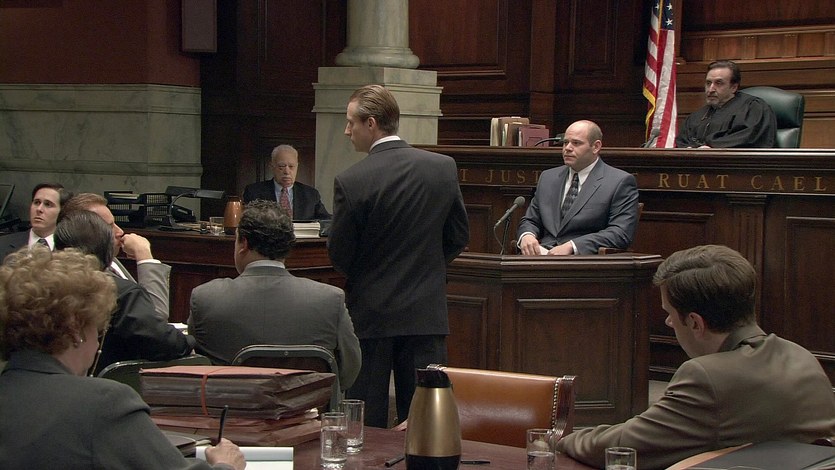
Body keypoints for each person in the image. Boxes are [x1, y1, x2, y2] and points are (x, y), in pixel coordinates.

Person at [556, 244, 835, 469]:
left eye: (669, 313)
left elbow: (623, 446)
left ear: (695, 322)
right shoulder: (800, 355)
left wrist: (560, 440)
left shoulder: (708, 377)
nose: (668, 322)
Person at [0, 247, 245, 470]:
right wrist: (226, 465)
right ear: (75, 330)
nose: (97, 344)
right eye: (98, 330)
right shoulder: (102, 404)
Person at [328, 84, 470, 427]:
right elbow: (458, 236)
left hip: (371, 315)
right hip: (425, 313)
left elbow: (339, 254)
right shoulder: (442, 168)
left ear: (371, 123)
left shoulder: (351, 180)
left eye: (351, 122)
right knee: (426, 421)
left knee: (365, 422)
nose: (346, 131)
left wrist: (370, 277)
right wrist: (427, 269)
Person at [188, 200, 361, 388]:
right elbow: (348, 373)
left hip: (228, 405)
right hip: (308, 405)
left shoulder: (205, 298)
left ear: (243, 243)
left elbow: (194, 370)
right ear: (288, 245)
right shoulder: (331, 300)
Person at [54, 211, 195, 375]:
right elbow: (165, 344)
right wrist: (192, 341)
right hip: (104, 384)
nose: (119, 231)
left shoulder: (40, 286)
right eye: (109, 226)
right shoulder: (121, 293)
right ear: (104, 248)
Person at [517, 120, 640, 255]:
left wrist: (573, 246)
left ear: (596, 147)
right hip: (541, 258)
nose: (567, 148)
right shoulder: (548, 177)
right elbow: (531, 220)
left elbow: (620, 233)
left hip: (584, 260)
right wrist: (527, 235)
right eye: (565, 142)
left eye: (576, 143)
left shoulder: (619, 182)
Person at [60, 192, 171, 320]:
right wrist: (144, 255)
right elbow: (154, 319)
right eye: (109, 226)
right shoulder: (91, 275)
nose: (120, 232)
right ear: (87, 233)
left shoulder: (111, 261)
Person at [676, 60, 778, 148]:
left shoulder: (753, 108)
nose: (710, 89)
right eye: (708, 83)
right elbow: (682, 143)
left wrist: (711, 148)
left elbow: (748, 139)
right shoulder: (696, 117)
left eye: (719, 83)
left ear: (734, 87)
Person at [242, 144, 331, 220]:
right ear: (272, 167)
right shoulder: (254, 192)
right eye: (281, 166)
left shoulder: (311, 194)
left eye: (291, 166)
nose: (287, 172)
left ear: (297, 167)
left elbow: (326, 221)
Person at [0, 182, 72, 259]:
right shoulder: (3, 243)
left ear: (62, 211)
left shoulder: (71, 249)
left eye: (48, 204)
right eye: (36, 202)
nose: (39, 209)